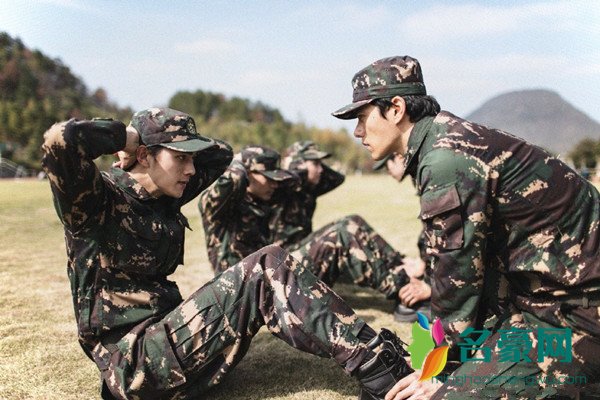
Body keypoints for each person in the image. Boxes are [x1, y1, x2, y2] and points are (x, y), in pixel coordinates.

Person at [42, 107, 413, 400]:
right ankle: (379, 370)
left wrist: (173, 145)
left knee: (269, 264)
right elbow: (61, 139)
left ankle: (377, 361)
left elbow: (221, 156)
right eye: (181, 158)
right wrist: (128, 136)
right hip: (135, 363)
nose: (191, 169)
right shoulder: (94, 202)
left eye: (191, 159)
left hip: (167, 345)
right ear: (144, 155)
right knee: (266, 266)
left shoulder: (162, 195)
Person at [332, 56, 600, 399]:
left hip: (577, 320)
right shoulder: (447, 141)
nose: (357, 132)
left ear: (396, 109)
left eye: (362, 118)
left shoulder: (446, 159)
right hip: (542, 303)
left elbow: (457, 280)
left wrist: (440, 371)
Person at [199, 143, 410, 304]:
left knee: (349, 224)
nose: (275, 183)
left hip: (269, 278)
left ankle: (401, 271)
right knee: (341, 233)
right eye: (268, 177)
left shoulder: (261, 199)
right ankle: (404, 292)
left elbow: (326, 179)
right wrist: (239, 162)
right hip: (247, 291)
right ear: (247, 175)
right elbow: (222, 187)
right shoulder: (220, 209)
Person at [373, 153, 432, 323]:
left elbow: (444, 228)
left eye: (387, 165)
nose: (388, 171)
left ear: (399, 157)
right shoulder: (418, 171)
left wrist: (431, 285)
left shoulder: (426, 168)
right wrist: (422, 262)